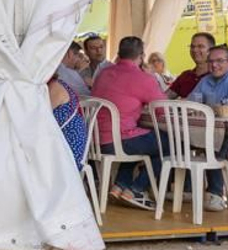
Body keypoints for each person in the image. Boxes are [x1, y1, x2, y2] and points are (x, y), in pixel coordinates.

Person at [89, 36, 167, 209]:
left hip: (95, 141)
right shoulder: (143, 78)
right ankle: (136, 190)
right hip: (117, 141)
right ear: (141, 56)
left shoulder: (104, 73)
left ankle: (120, 185)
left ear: (119, 53)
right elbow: (163, 108)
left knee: (140, 137)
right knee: (167, 142)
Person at [184, 45, 228, 209]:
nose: (214, 65)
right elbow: (190, 102)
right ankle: (187, 189)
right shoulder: (206, 80)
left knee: (214, 142)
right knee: (179, 138)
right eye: (211, 61)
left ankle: (215, 194)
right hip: (214, 129)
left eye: (220, 61)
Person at [49, 72, 87, 172]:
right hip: (60, 143)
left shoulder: (54, 88)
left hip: (68, 148)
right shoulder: (56, 84)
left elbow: (38, 119)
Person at [168, 32, 214, 98]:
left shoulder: (217, 77)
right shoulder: (185, 76)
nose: (195, 50)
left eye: (200, 46)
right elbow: (164, 97)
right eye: (192, 46)